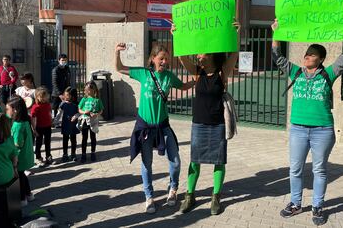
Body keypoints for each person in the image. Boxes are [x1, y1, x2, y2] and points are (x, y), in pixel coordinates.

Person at [271, 14, 343, 226]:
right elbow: (277, 56)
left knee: (319, 169)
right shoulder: (296, 73)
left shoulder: (328, 74)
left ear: (320, 59)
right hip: (298, 130)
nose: (307, 57)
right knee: (295, 169)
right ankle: (295, 203)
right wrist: (276, 34)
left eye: (312, 55)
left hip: (322, 131)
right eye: (307, 54)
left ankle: (318, 206)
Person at [115, 43, 195, 214]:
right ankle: (149, 196)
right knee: (147, 163)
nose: (165, 62)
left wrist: (198, 79)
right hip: (145, 127)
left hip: (163, 126)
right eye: (161, 58)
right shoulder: (143, 73)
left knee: (175, 162)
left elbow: (183, 86)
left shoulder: (169, 77)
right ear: (153, 59)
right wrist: (117, 53)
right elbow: (119, 68)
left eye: (166, 59)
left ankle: (173, 189)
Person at [171, 22, 240, 216]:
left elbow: (233, 55)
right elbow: (182, 56)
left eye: (202, 54)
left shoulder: (221, 72)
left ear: (211, 55)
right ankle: (189, 196)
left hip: (218, 124)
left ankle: (216, 197)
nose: (199, 57)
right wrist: (177, 35)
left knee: (219, 161)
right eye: (199, 54)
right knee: (195, 161)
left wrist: (235, 34)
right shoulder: (197, 72)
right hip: (199, 124)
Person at [7, 95, 35, 207]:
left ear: (15, 110)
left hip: (19, 157)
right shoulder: (25, 120)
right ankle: (29, 195)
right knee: (22, 175)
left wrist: (13, 158)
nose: (6, 111)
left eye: (8, 109)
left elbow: (17, 144)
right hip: (26, 155)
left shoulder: (17, 125)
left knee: (18, 178)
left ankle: (22, 199)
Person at [77, 81, 103, 163]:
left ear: (93, 90)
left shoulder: (97, 100)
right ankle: (83, 154)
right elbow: (79, 109)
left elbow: (101, 110)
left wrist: (97, 114)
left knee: (93, 137)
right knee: (84, 138)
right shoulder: (84, 99)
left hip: (93, 121)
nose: (86, 91)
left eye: (88, 90)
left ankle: (93, 153)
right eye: (85, 90)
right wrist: (84, 112)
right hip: (85, 120)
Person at [54, 87, 79, 162]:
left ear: (72, 96)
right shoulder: (63, 104)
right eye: (65, 95)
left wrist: (76, 116)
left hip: (73, 125)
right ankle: (65, 154)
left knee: (73, 140)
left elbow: (79, 112)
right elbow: (59, 114)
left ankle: (73, 154)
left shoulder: (76, 104)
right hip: (65, 125)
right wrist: (55, 121)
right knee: (65, 140)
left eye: (67, 95)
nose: (65, 97)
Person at [31, 87, 53, 167]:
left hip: (47, 126)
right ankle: (38, 158)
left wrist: (51, 121)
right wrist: (34, 129)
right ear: (37, 97)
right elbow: (33, 119)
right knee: (38, 143)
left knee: (47, 142)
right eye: (42, 97)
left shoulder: (47, 105)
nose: (44, 98)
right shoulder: (35, 107)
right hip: (39, 128)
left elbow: (49, 113)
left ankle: (48, 156)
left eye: (45, 96)